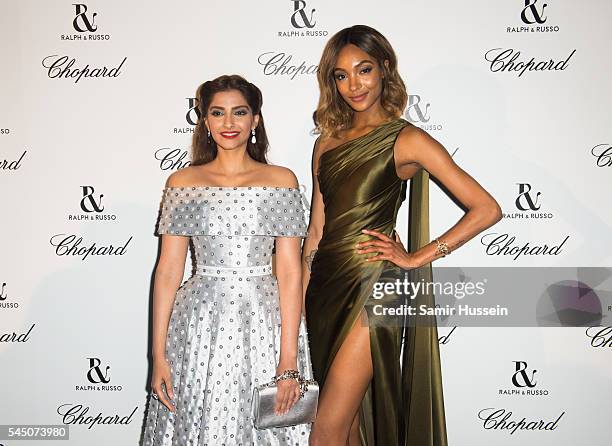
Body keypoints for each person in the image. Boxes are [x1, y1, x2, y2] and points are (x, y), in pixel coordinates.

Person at [302, 25, 502, 446]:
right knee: (349, 423)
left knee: (326, 429)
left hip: (377, 288)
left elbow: (487, 209)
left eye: (364, 70)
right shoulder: (326, 143)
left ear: (385, 69)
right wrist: (300, 302)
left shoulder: (407, 139)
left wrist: (416, 257)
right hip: (325, 289)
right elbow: (316, 231)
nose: (353, 84)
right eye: (341, 75)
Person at [142, 74, 314, 445]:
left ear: (255, 119)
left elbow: (288, 269)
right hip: (199, 320)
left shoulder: (280, 180)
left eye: (239, 112)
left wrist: (288, 361)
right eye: (217, 113)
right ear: (204, 120)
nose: (229, 123)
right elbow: (169, 270)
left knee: (271, 425)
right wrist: (158, 355)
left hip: (265, 319)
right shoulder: (182, 182)